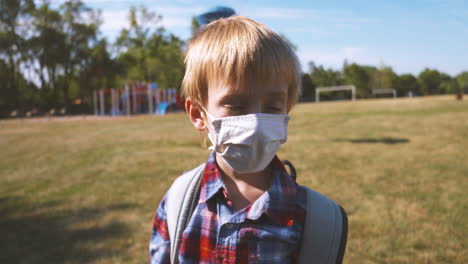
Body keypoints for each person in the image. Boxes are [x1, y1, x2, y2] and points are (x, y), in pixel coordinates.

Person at [150, 16, 346, 263]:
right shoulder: (179, 202)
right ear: (199, 114)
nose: (255, 121)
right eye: (236, 105)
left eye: (273, 107)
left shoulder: (313, 218)